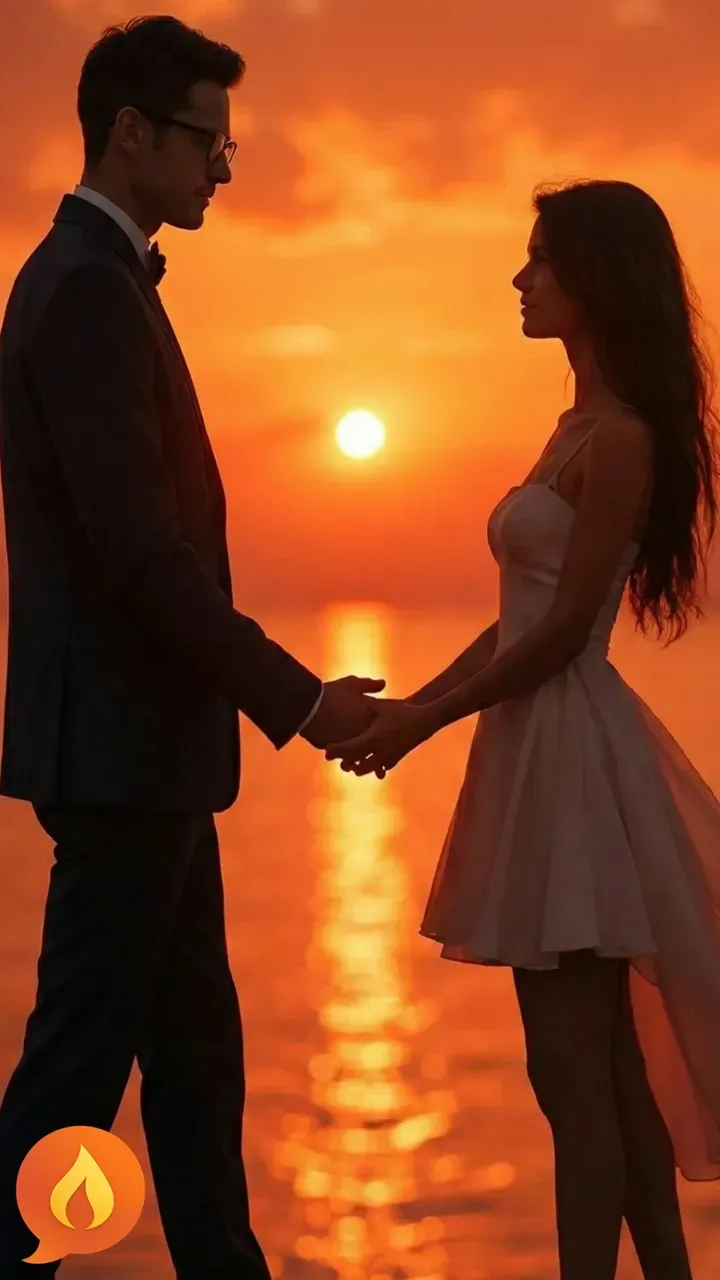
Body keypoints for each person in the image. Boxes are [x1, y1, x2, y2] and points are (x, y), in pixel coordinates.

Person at [0, 16, 385, 1279]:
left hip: (149, 755)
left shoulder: (94, 280)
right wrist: (301, 699)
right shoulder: (85, 291)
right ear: (131, 133)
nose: (224, 166)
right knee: (73, 1082)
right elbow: (141, 555)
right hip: (121, 756)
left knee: (197, 1079)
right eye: (207, 141)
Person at [328, 179, 720, 1280]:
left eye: (541, 258)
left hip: (571, 758)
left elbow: (556, 637)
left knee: (571, 1079)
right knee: (612, 1083)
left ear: (597, 277)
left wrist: (423, 722)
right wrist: (412, 706)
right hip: (542, 747)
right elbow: (518, 622)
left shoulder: (622, 439)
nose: (521, 276)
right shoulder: (572, 429)